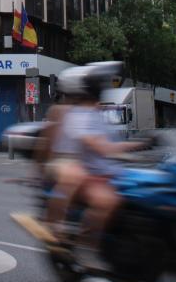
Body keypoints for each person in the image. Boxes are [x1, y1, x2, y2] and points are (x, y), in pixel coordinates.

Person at [43, 63, 147, 241]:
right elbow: (102, 147)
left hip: (103, 170)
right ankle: (76, 236)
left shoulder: (97, 113)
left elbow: (109, 144)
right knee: (102, 197)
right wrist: (139, 144)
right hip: (79, 168)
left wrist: (139, 149)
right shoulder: (76, 115)